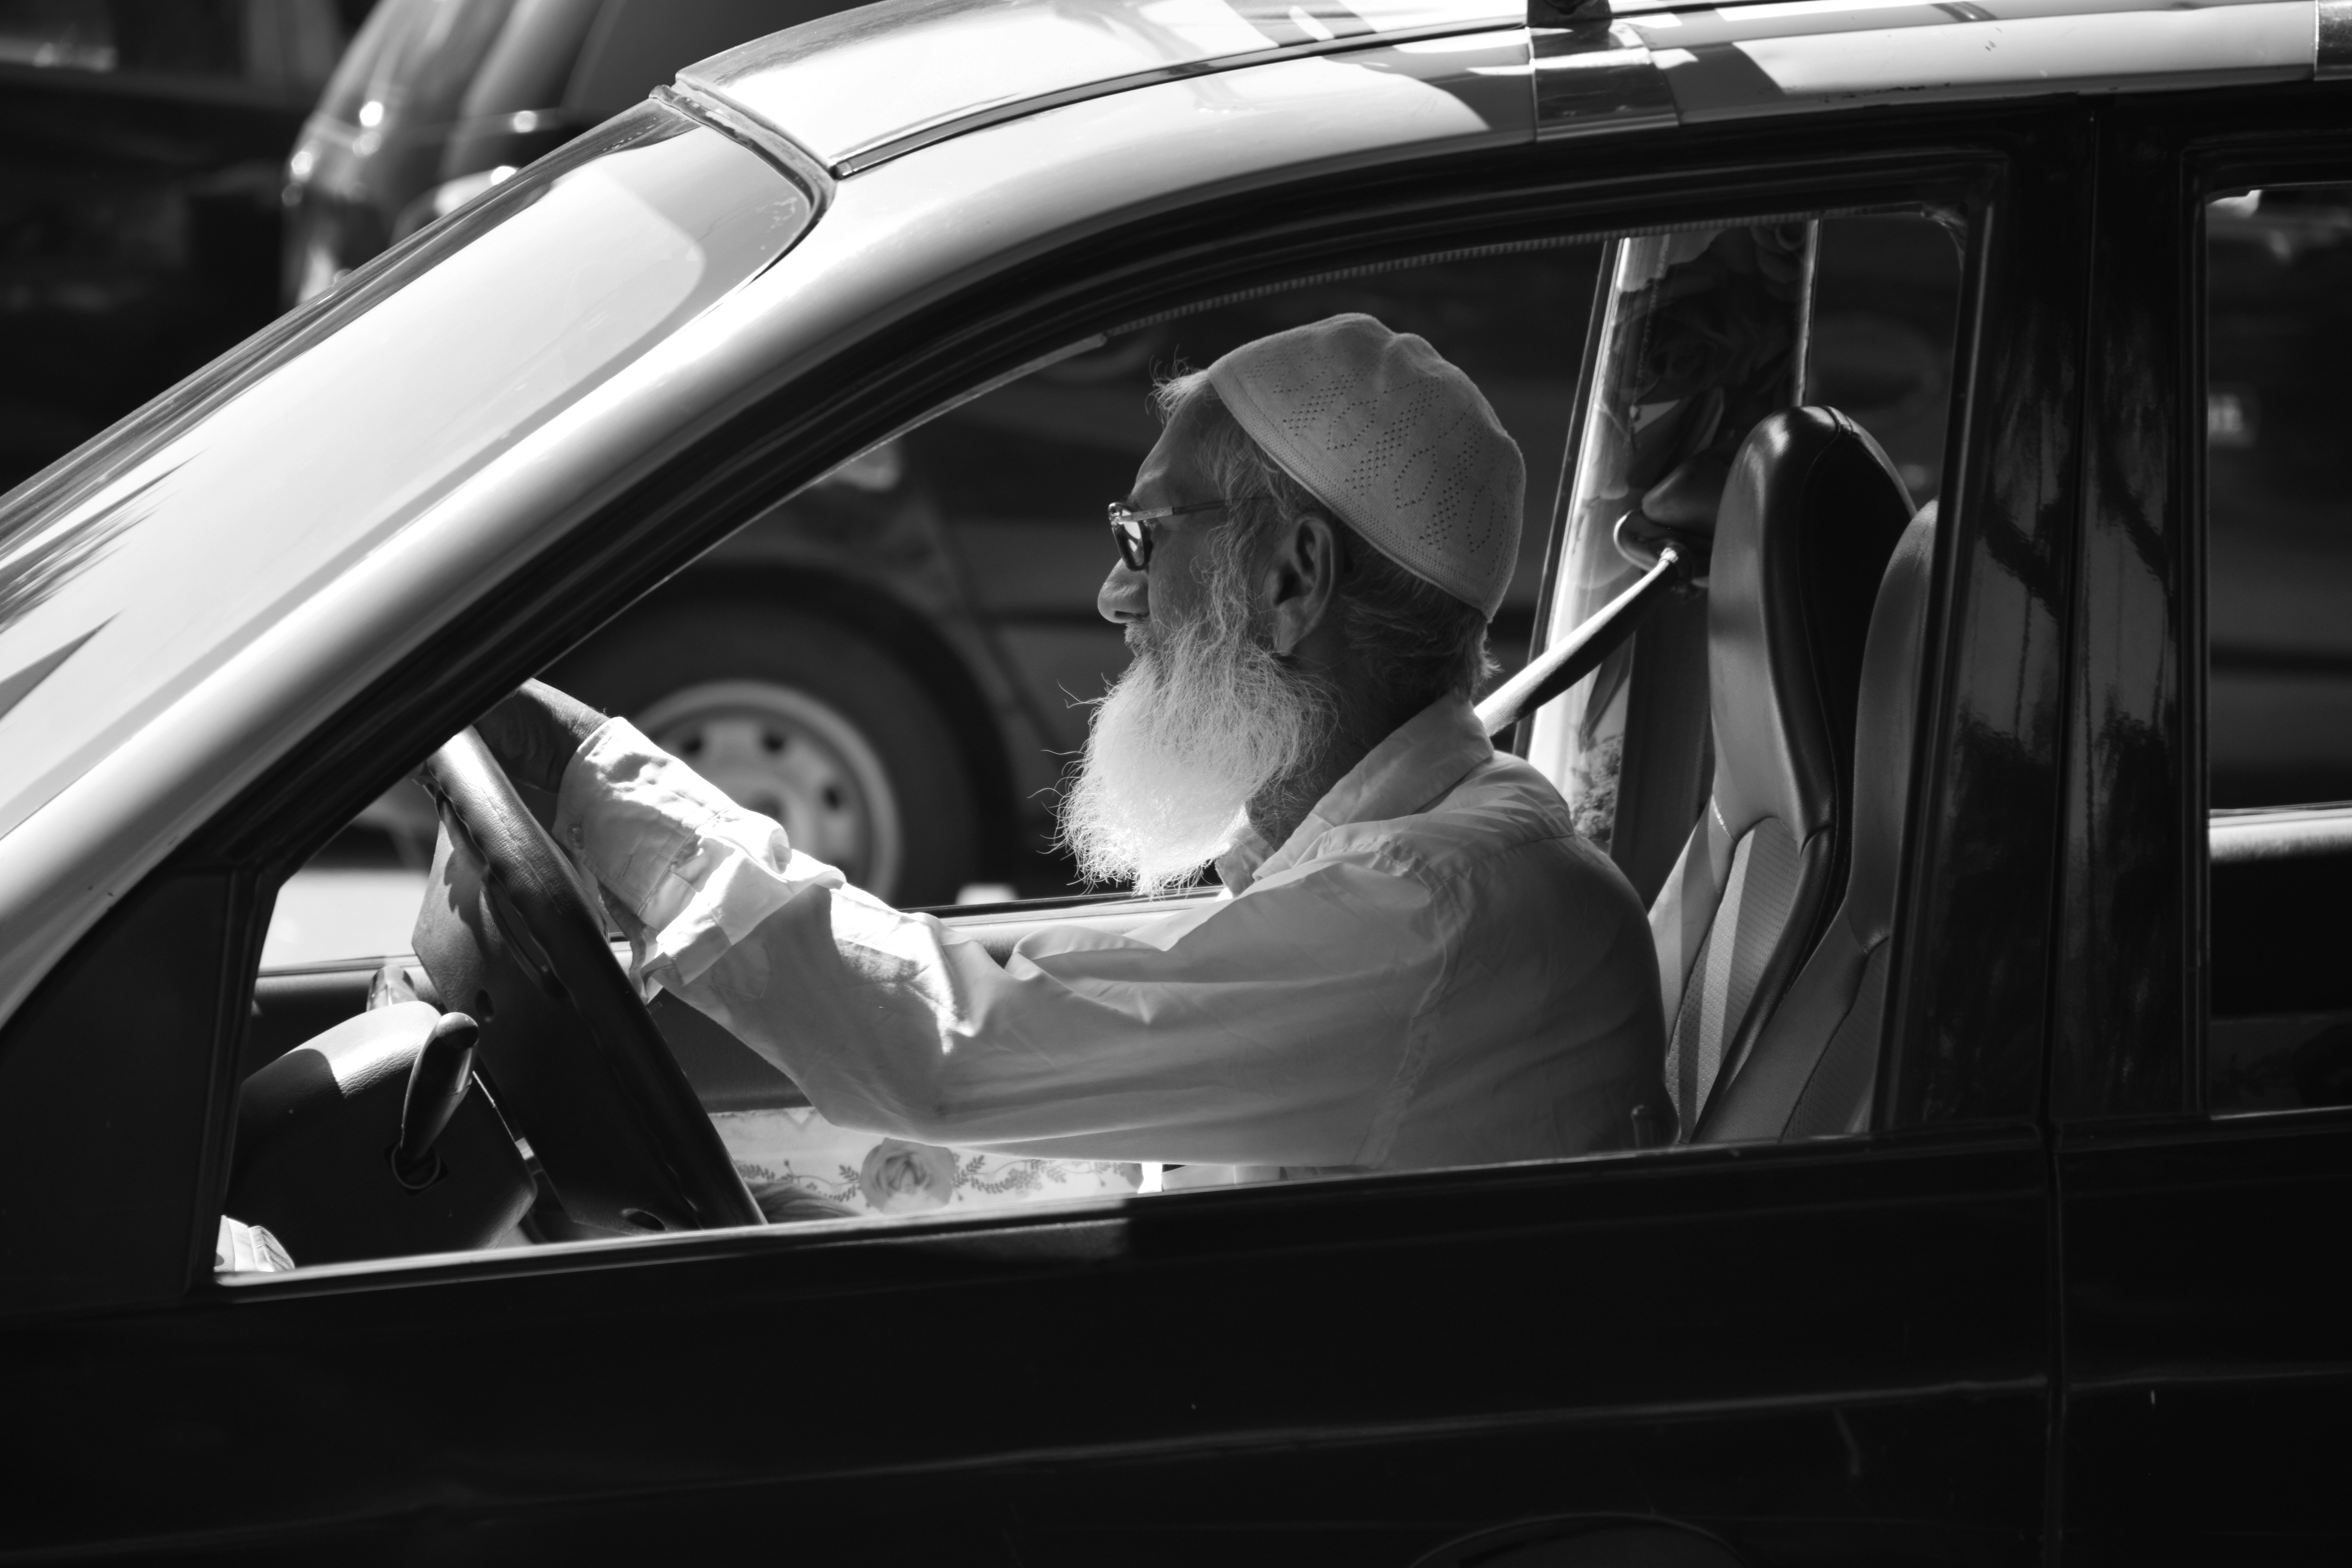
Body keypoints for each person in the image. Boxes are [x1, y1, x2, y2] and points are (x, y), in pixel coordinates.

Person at [479, 314, 1668, 1182]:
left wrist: (595, 777)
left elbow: (958, 1049)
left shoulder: (1433, 908)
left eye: (1144, 539)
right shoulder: (1406, 863)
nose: (1114, 594)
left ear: (1292, 576)